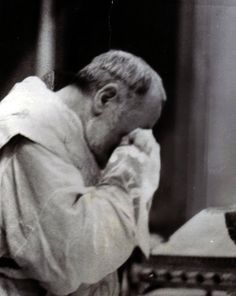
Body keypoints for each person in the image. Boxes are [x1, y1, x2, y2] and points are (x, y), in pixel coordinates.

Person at [0, 50, 166, 295]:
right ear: (105, 98)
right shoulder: (33, 136)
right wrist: (125, 178)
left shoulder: (73, 135)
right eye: (137, 131)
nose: (139, 144)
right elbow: (70, 262)